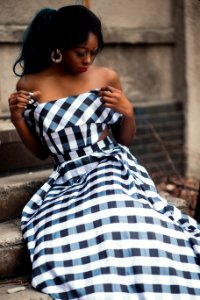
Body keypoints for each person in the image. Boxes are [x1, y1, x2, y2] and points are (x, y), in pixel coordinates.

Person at [8, 5, 200, 300]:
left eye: (93, 52)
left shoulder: (106, 77)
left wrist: (128, 112)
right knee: (67, 239)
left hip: (109, 166)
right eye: (80, 51)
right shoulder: (30, 84)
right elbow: (41, 154)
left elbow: (124, 139)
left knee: (118, 215)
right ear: (59, 47)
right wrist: (19, 119)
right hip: (67, 178)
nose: (87, 60)